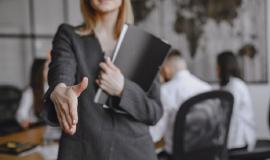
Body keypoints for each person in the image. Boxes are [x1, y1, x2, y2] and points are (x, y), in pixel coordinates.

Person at [43, 0, 163, 160]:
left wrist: (123, 89)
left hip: (135, 152)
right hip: (84, 151)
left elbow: (154, 111)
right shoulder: (69, 35)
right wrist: (60, 88)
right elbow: (61, 70)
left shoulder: (144, 44)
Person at [149, 49, 211, 157]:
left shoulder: (166, 91)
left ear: (166, 70)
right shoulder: (207, 88)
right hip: (208, 153)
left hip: (177, 155)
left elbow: (155, 134)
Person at [217, 51, 256, 151]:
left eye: (217, 65)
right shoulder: (229, 86)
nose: (216, 69)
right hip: (234, 139)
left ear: (223, 66)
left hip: (239, 140)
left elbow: (230, 116)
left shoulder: (235, 86)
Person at [16, 58, 48, 128]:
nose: (50, 71)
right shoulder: (29, 92)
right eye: (46, 68)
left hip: (50, 127)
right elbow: (21, 113)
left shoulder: (52, 88)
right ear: (39, 71)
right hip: (36, 127)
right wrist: (23, 120)